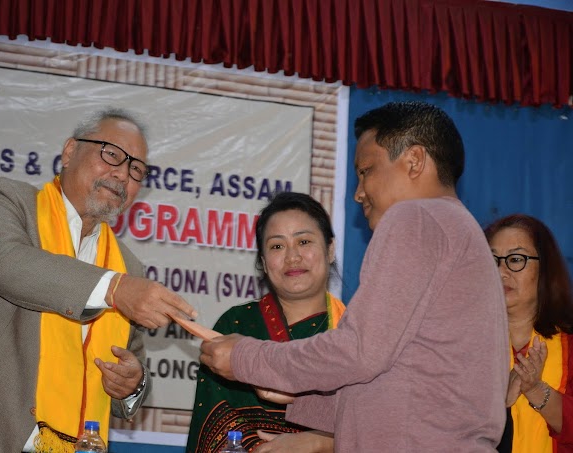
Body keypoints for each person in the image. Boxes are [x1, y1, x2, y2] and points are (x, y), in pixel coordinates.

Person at [200, 101, 510, 451]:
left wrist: (247, 358)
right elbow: (411, 384)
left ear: (414, 161)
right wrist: (300, 400)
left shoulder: (415, 217)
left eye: (366, 171)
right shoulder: (458, 229)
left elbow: (360, 351)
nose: (358, 192)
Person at [0, 107, 197, 453]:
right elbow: (6, 263)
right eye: (112, 155)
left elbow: (129, 361)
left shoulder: (127, 266)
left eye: (136, 169)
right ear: (70, 151)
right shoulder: (3, 199)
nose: (122, 175)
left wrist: (132, 383)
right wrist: (114, 289)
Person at [187, 192, 344, 453]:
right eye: (277, 246)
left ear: (329, 249)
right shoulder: (235, 326)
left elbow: (375, 426)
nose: (292, 257)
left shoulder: (351, 332)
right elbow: (215, 422)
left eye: (304, 241)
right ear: (262, 262)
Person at [485, 214, 573, 452]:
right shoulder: (464, 346)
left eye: (515, 259)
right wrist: (498, 405)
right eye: (492, 261)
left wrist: (535, 390)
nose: (501, 272)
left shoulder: (570, 344)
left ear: (545, 269)